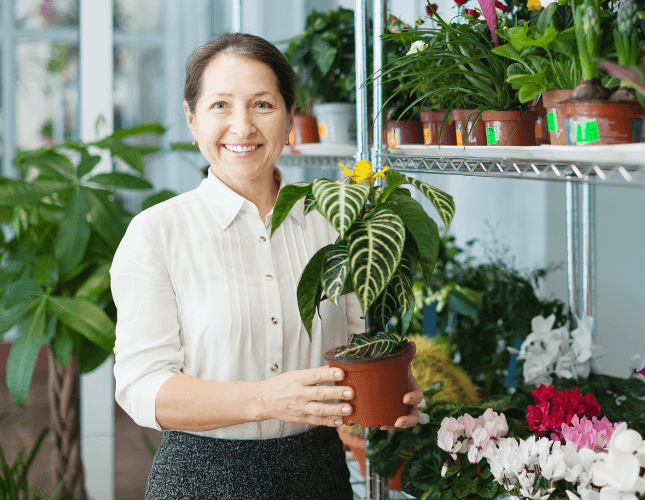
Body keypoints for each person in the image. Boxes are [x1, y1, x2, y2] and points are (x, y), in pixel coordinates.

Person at [110, 33, 423, 500]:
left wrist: (391, 385)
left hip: (318, 473)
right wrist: (265, 399)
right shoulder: (157, 233)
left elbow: (357, 344)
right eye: (220, 106)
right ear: (192, 120)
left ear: (290, 118)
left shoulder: (334, 223)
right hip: (201, 478)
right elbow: (143, 388)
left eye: (262, 105)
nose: (242, 126)